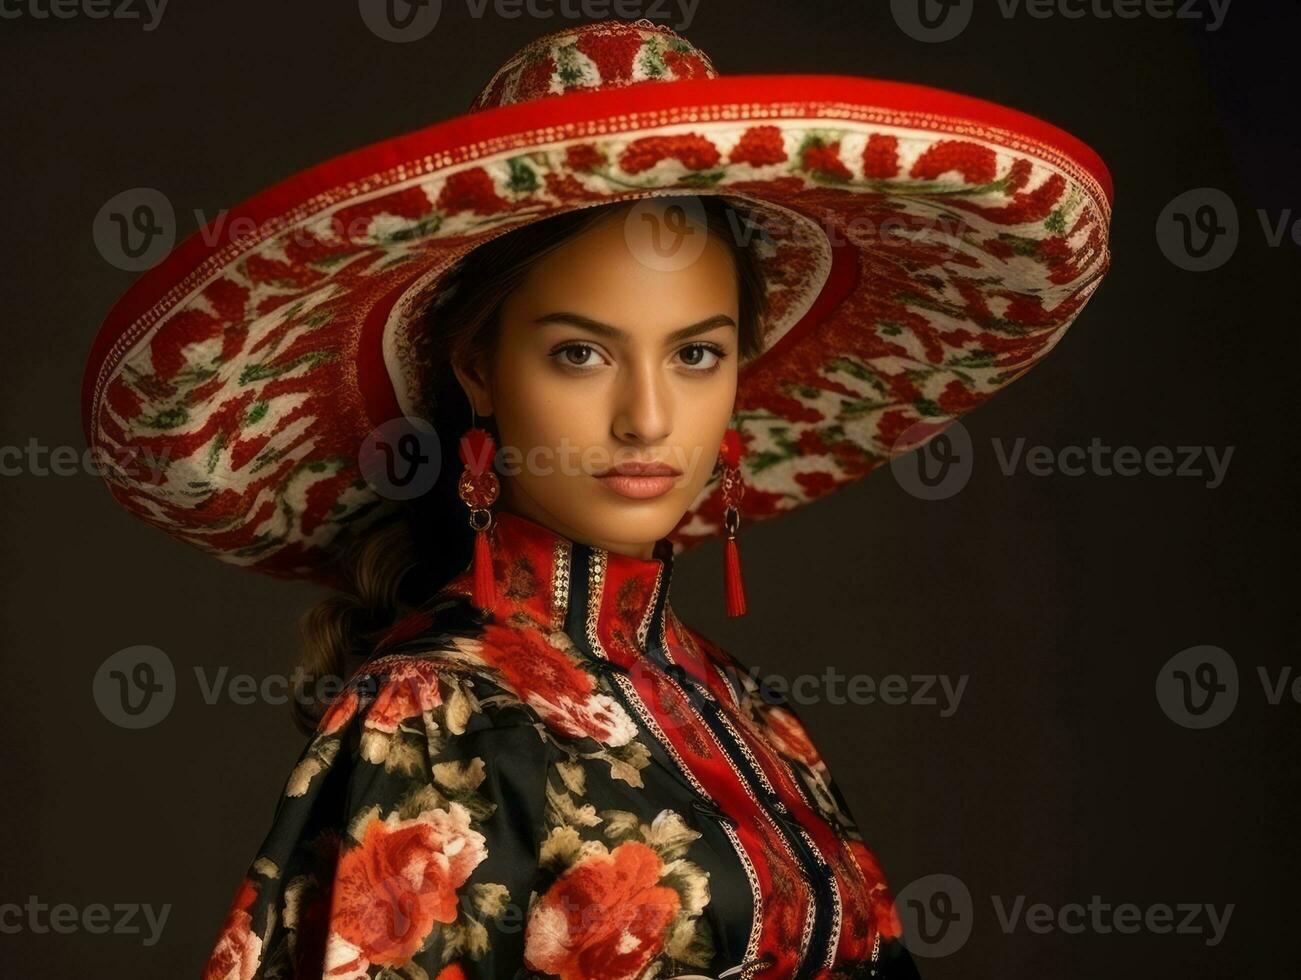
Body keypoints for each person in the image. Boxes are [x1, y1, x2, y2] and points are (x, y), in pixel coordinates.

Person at [81, 18, 1113, 980]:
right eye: (580, 352)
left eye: (696, 352)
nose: (648, 415)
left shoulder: (744, 708)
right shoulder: (431, 716)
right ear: (478, 367)